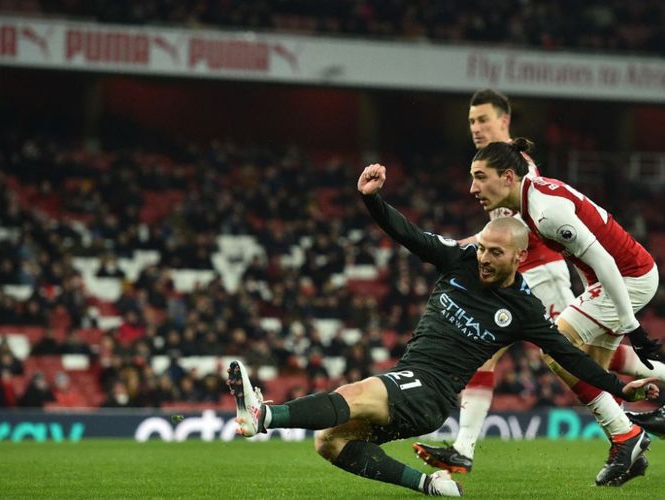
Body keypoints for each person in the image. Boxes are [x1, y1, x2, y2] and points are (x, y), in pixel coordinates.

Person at [227, 163, 659, 497]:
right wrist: (372, 201)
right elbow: (410, 235)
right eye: (483, 248)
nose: (485, 258)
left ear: (519, 257)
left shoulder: (525, 309)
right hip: (411, 377)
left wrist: (624, 391)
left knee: (355, 394)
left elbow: (572, 358)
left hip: (432, 394)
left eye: (495, 253)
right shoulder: (461, 260)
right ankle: (431, 486)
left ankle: (264, 415)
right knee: (329, 442)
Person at [414, 89, 665, 477]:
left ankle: (624, 433)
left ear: (504, 121)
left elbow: (588, 251)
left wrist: (632, 326)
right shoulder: (509, 182)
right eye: (470, 121)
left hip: (545, 273)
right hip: (544, 274)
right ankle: (623, 433)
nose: (476, 128)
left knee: (568, 353)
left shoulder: (524, 183)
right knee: (566, 358)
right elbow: (498, 234)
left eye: (483, 120)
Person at [468, 137, 665, 484]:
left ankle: (627, 437)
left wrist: (630, 324)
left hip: (627, 278)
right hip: (611, 280)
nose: (473, 187)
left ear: (508, 177)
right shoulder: (530, 200)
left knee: (555, 348)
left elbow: (604, 260)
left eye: (481, 176)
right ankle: (626, 449)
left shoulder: (545, 211)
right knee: (592, 368)